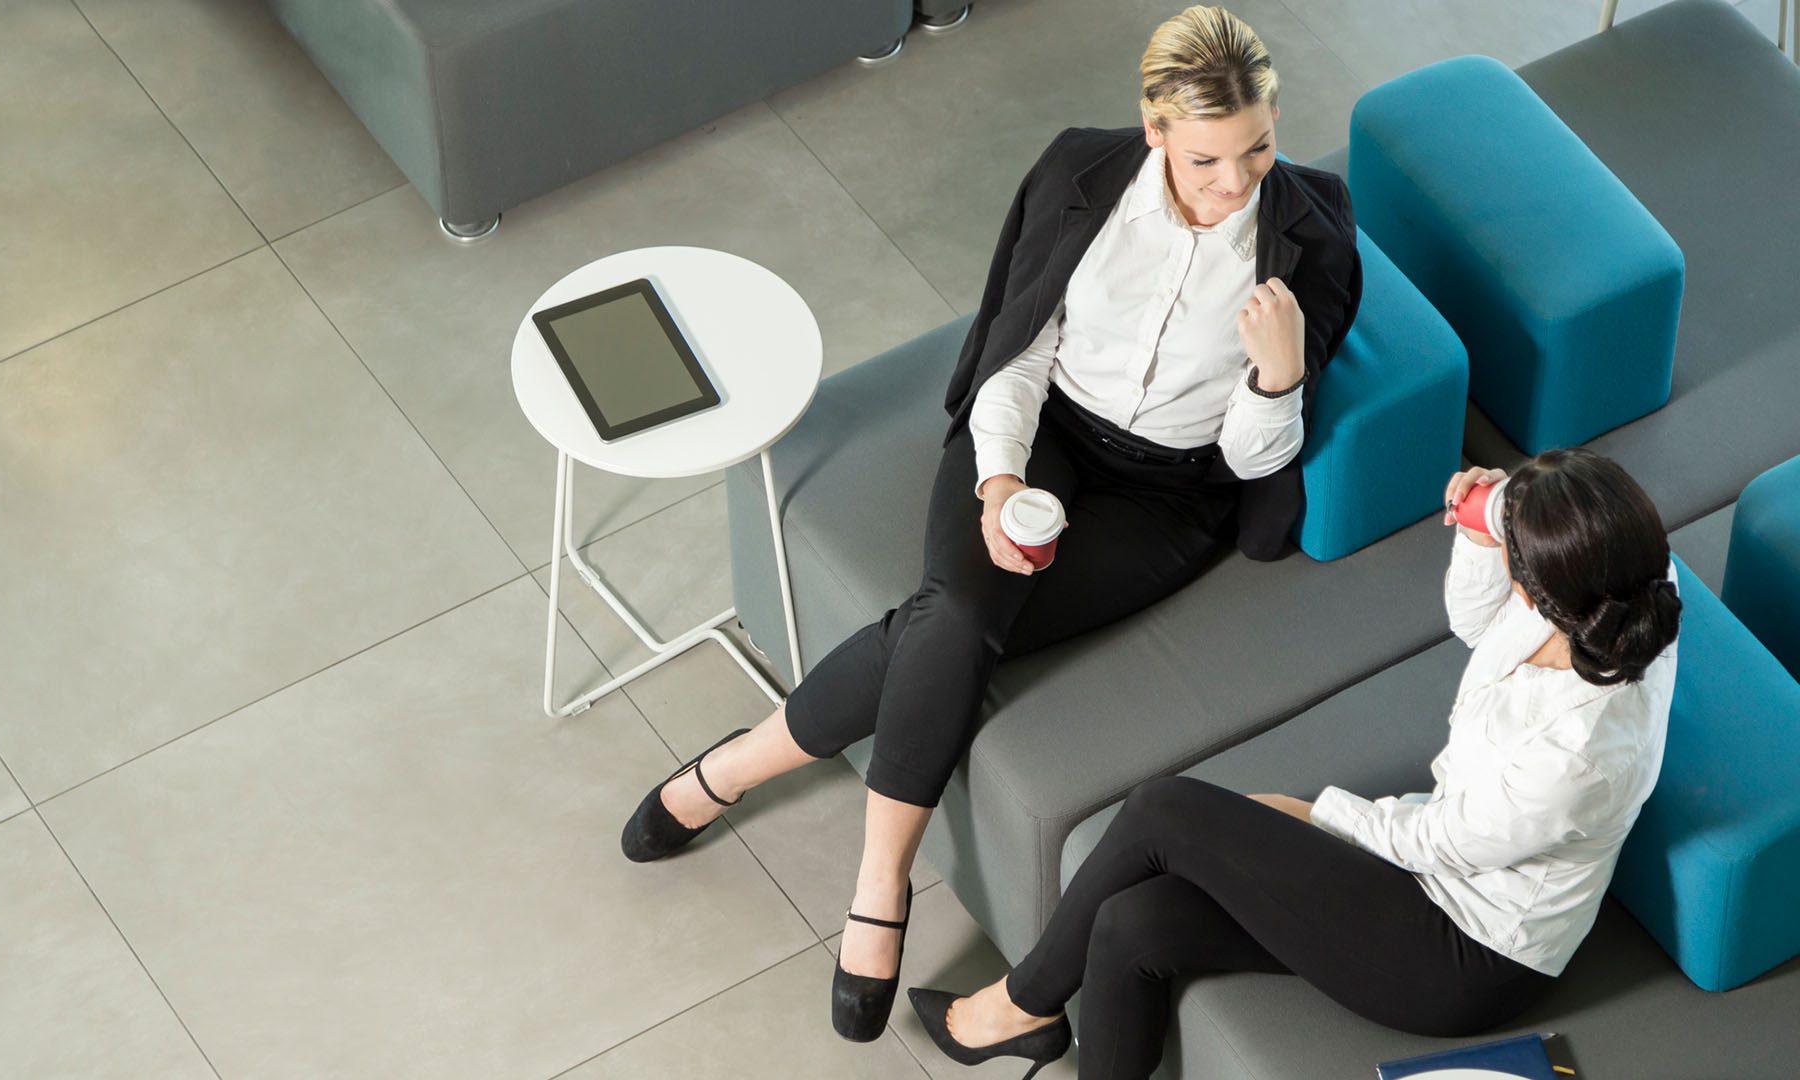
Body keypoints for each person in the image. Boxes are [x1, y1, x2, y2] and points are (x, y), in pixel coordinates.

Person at [619, 4, 1362, 1043]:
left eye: (1257, 150)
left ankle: (728, 771)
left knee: (943, 621)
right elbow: (1016, 353)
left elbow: (1250, 463)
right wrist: (998, 486)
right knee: (959, 618)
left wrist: (1277, 379)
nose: (1235, 183)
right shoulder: (1079, 178)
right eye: (1205, 159)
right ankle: (878, 891)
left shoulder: (1314, 233)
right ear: (1154, 131)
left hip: (1173, 494)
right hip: (1041, 433)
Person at [906, 448, 1684, 1079]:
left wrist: (1314, 813)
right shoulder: (1624, 576)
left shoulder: (1579, 754)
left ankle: (1019, 1006)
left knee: (1164, 809)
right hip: (1437, 861)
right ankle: (1036, 1022)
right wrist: (1482, 536)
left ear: (1551, 588)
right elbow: (1480, 623)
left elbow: (1438, 843)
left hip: (1463, 950)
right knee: (1131, 925)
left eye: (1515, 555)